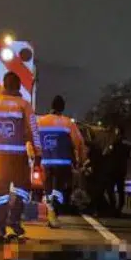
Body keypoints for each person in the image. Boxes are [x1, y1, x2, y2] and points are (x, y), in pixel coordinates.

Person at [0, 71, 40, 240]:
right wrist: (38, 153)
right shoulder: (24, 105)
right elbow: (33, 130)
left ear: (4, 85)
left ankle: (0, 227)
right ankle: (14, 219)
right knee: (23, 188)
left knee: (0, 191)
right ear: (18, 86)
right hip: (18, 156)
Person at [35, 95, 87, 228]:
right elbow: (79, 143)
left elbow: (34, 140)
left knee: (48, 189)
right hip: (63, 163)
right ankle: (54, 213)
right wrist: (81, 160)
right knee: (59, 190)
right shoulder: (67, 123)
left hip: (46, 162)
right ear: (62, 108)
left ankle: (51, 214)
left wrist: (36, 157)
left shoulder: (41, 122)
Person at [104, 126, 131, 217]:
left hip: (113, 169)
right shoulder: (128, 144)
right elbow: (128, 155)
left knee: (110, 189)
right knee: (120, 190)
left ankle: (114, 206)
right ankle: (118, 208)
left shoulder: (114, 143)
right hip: (121, 169)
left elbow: (106, 153)